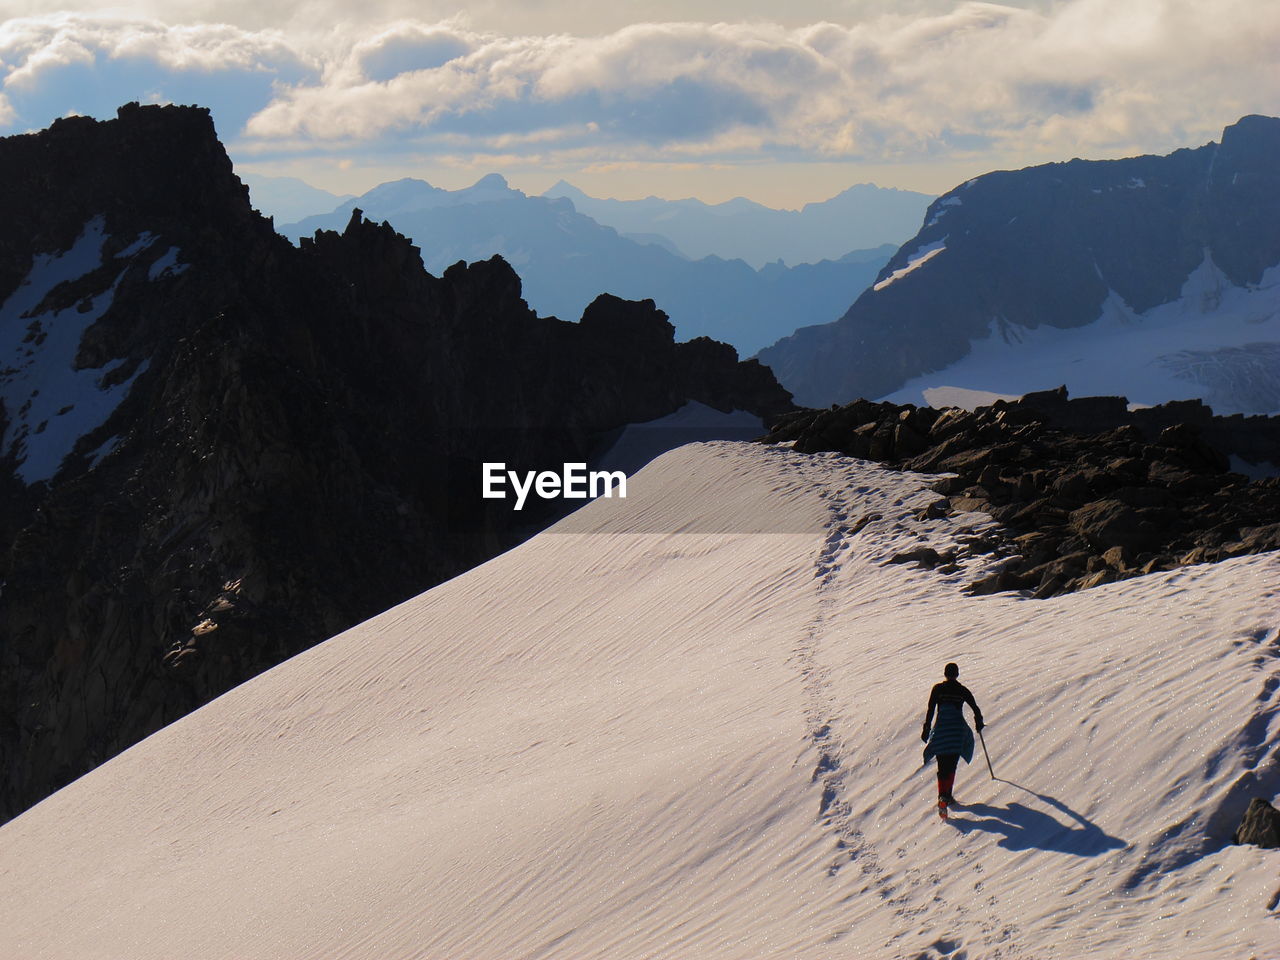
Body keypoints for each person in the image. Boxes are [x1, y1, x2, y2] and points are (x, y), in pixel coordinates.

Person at [921, 662, 984, 809]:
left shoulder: (937, 689)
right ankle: (947, 796)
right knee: (952, 765)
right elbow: (975, 708)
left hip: (941, 731)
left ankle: (942, 796)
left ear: (945, 674)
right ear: (957, 674)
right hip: (957, 732)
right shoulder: (962, 690)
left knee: (942, 765)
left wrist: (926, 728)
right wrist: (978, 723)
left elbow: (930, 709)